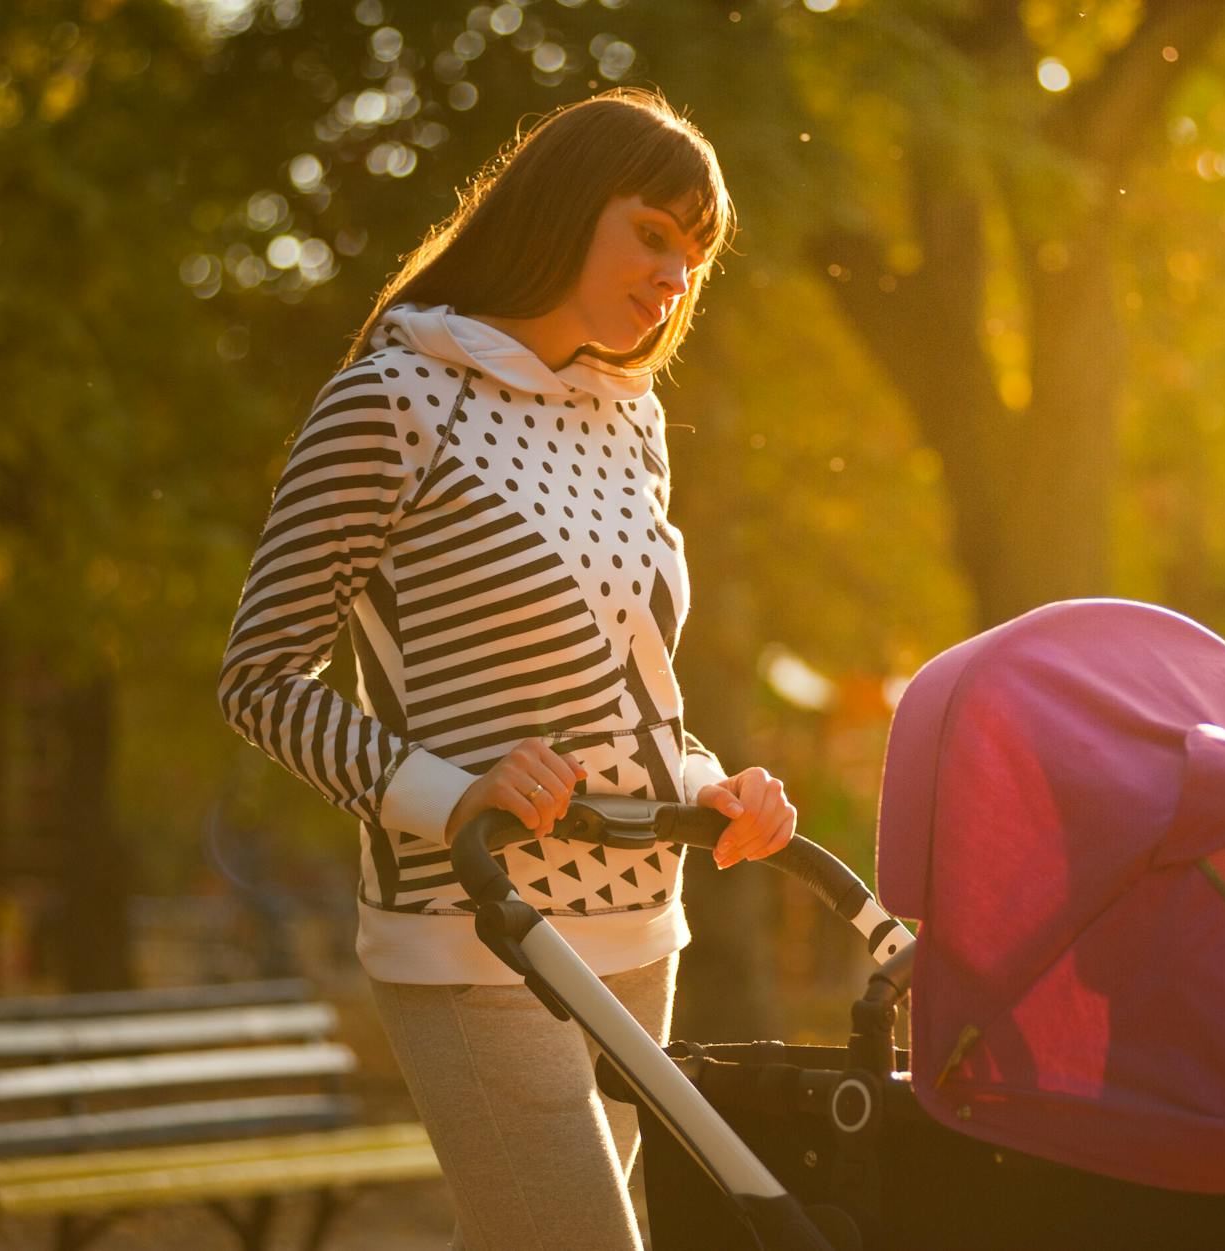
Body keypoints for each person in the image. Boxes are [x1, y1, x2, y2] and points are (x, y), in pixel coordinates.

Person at [218, 87, 798, 1250]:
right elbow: (262, 679)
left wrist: (710, 785)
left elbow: (623, 689)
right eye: (653, 233)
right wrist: (448, 791)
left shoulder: (622, 420)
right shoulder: (391, 399)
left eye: (695, 256)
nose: (675, 277)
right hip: (476, 918)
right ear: (566, 204)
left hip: (641, 921)